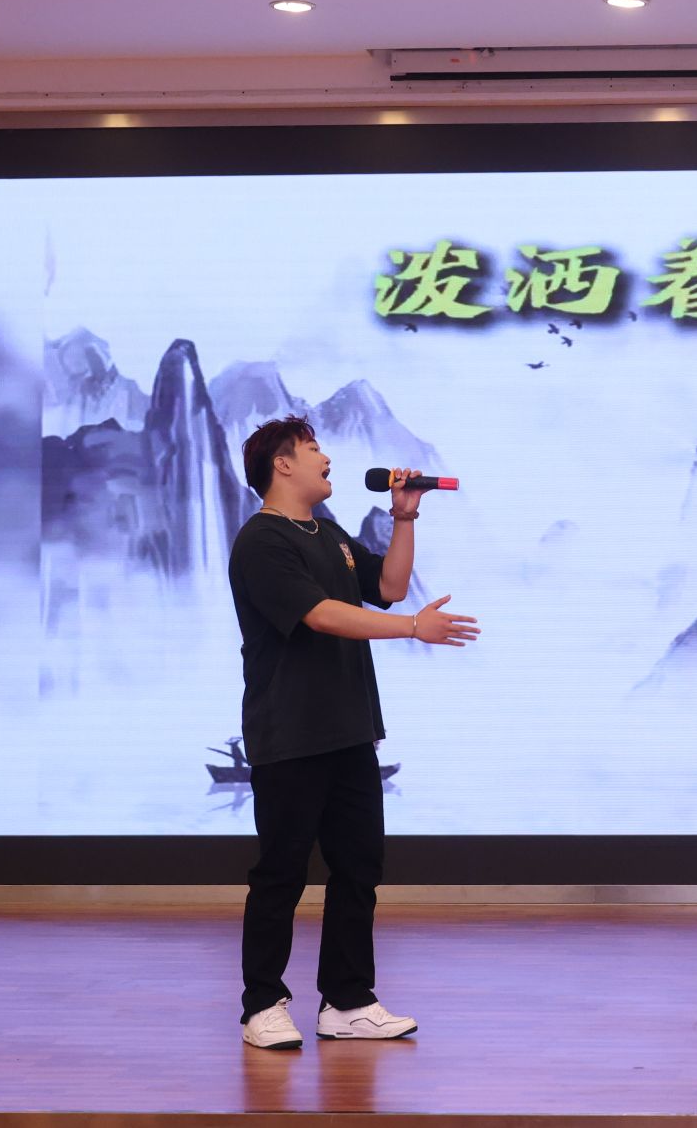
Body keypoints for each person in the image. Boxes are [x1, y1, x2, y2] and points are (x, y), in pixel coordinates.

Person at [228, 415, 480, 1051]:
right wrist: (413, 629)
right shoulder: (261, 540)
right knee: (282, 871)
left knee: (359, 867)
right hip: (289, 732)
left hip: (350, 729)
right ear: (282, 464)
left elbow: (389, 587)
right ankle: (262, 1004)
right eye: (314, 448)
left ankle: (346, 1002)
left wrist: (404, 517)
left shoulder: (331, 534)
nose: (327, 458)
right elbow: (320, 615)